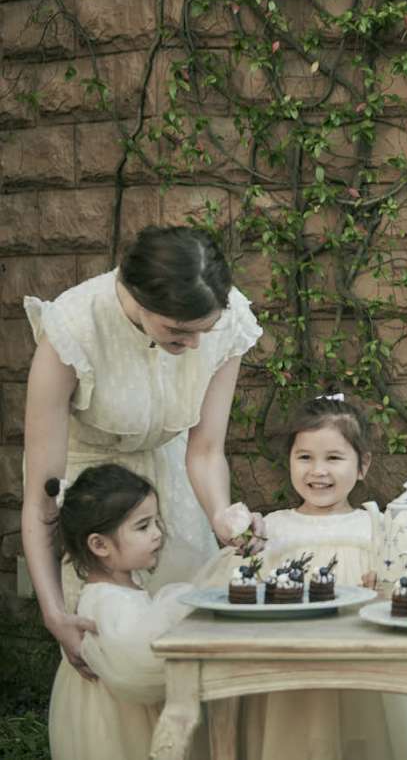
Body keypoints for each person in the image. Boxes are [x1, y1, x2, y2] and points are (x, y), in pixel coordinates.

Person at [23, 225, 263, 681]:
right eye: (179, 332)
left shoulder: (223, 315)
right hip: (93, 496)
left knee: (186, 636)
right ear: (137, 297)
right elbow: (41, 498)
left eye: (204, 331)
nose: (195, 345)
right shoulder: (73, 328)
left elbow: (205, 450)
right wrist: (54, 613)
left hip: (174, 477)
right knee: (110, 647)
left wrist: (220, 515)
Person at [199, 394, 407, 759]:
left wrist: (381, 589)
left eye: (333, 458)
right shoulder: (272, 529)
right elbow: (241, 594)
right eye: (305, 457)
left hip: (361, 669)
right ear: (288, 460)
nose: (318, 471)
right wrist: (245, 550)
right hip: (286, 670)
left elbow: (405, 588)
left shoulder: (378, 528)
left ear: (362, 465)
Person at [46, 464, 199, 760]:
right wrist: (178, 609)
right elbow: (139, 665)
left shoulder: (120, 587)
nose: (157, 534)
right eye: (143, 527)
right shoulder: (107, 603)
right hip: (118, 726)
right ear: (99, 545)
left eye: (156, 522)